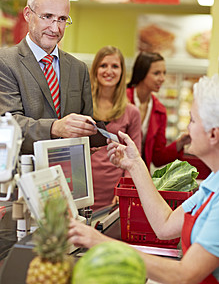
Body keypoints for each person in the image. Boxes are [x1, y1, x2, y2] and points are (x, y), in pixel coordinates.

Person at [69, 74, 219, 284]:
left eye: (192, 120)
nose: (187, 128)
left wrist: (100, 242)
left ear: (213, 135)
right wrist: (135, 163)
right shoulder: (212, 184)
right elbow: (165, 225)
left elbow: (185, 275)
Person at [0, 0, 96, 154]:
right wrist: (55, 127)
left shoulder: (78, 69)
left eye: (62, 19)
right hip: (23, 174)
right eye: (47, 16)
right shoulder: (5, 62)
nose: (55, 28)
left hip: (70, 172)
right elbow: (8, 125)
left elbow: (86, 124)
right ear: (28, 14)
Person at [89, 46, 141, 211]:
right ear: (95, 69)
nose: (108, 71)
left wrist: (124, 190)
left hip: (113, 193)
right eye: (103, 65)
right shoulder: (82, 106)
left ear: (122, 72)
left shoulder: (131, 112)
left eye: (115, 66)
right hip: (82, 187)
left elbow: (134, 157)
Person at [127, 51, 190, 170]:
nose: (162, 78)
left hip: (140, 175)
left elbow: (158, 158)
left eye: (164, 73)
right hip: (114, 172)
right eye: (156, 73)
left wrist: (180, 143)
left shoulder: (159, 111)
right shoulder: (122, 100)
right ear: (142, 73)